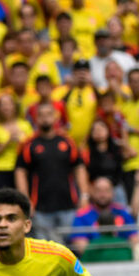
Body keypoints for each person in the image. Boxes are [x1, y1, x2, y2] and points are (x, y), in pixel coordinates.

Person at [15, 102, 91, 242]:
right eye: (41, 115)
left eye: (49, 114)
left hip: (68, 205)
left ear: (56, 117)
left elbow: (79, 168)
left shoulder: (67, 142)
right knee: (45, 250)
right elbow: (20, 172)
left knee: (71, 250)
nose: (45, 118)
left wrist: (85, 195)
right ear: (36, 119)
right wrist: (25, 200)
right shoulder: (29, 144)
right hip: (40, 208)